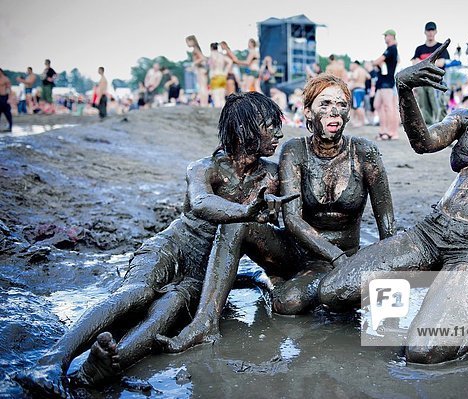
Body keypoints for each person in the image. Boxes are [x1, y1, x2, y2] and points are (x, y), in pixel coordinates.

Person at [14, 92, 300, 396]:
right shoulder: (204, 168)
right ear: (245, 129)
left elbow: (276, 232)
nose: (279, 134)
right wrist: (245, 211)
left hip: (203, 273)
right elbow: (202, 203)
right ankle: (50, 362)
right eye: (270, 126)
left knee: (169, 308)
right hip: (172, 247)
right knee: (136, 294)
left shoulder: (270, 175)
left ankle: (105, 365)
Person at [319, 25, 468, 364]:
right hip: (433, 230)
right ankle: (455, 291)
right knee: (334, 291)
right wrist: (403, 87)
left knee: (424, 350)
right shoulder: (466, 118)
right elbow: (423, 142)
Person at [278, 73, 396, 310]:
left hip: (349, 255)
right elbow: (290, 218)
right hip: (310, 256)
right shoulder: (294, 151)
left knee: (344, 299)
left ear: (348, 114)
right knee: (287, 303)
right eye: (325, 103)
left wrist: (390, 267)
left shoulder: (364, 151)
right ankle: (274, 280)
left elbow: (386, 217)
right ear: (308, 112)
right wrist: (334, 256)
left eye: (341, 105)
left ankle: (328, 288)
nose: (334, 111)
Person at [411, 21, 451, 125]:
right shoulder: (419, 49)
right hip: (423, 82)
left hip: (436, 82)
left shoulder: (440, 47)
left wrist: (422, 63)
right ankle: (429, 129)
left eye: (432, 30)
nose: (430, 32)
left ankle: (443, 128)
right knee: (424, 108)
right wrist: (432, 63)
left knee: (438, 106)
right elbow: (414, 63)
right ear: (425, 32)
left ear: (436, 31)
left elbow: (441, 63)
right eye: (428, 30)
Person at [373, 29, 400, 140]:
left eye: (386, 36)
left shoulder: (392, 49)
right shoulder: (391, 50)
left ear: (391, 36)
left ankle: (391, 132)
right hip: (382, 82)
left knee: (389, 107)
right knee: (377, 105)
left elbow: (376, 62)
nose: (384, 38)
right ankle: (384, 130)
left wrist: (375, 63)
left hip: (387, 82)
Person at [185, 35, 209, 107]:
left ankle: (203, 103)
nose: (187, 44)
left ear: (192, 41)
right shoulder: (196, 48)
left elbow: (203, 58)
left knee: (202, 87)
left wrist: (193, 64)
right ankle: (204, 103)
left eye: (187, 42)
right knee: (202, 87)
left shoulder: (195, 49)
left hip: (201, 70)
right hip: (201, 69)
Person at [208, 42, 233, 107]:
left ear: (211, 48)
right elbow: (230, 61)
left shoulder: (212, 54)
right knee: (222, 98)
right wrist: (225, 71)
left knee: (216, 97)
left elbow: (212, 65)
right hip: (222, 76)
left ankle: (218, 115)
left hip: (215, 76)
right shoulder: (221, 55)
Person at [348, 61, 370, 127]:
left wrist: (350, 76)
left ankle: (361, 122)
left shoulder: (356, 70)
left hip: (357, 89)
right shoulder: (363, 70)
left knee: (357, 106)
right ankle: (362, 121)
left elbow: (355, 77)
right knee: (360, 106)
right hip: (363, 89)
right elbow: (368, 77)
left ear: (355, 64)